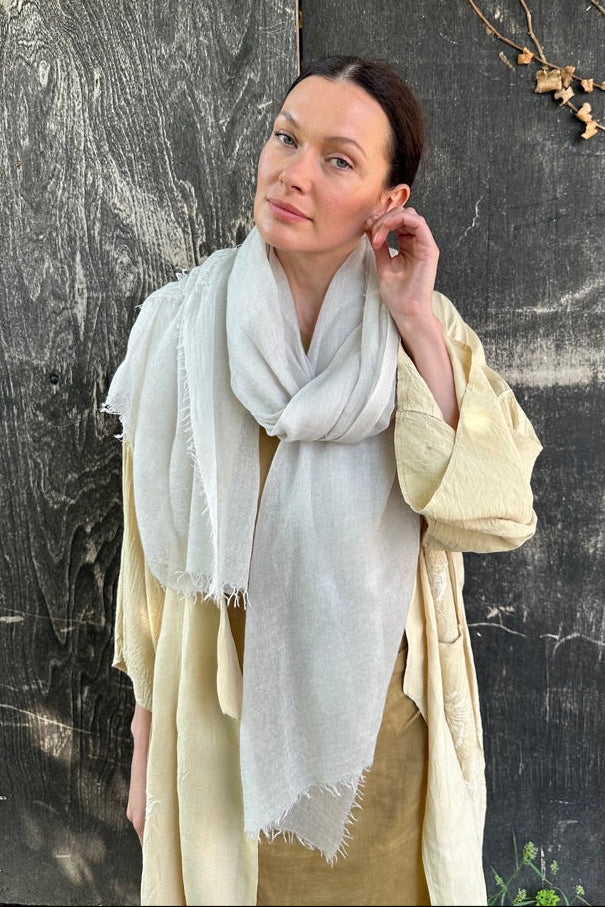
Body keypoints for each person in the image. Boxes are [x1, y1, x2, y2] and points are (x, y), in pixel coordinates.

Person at [103, 54, 542, 907]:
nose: (292, 174)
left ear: (389, 202)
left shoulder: (422, 330)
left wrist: (412, 314)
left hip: (382, 750)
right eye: (284, 138)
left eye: (337, 159)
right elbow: (146, 565)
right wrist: (144, 738)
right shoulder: (178, 328)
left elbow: (493, 514)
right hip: (218, 735)